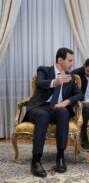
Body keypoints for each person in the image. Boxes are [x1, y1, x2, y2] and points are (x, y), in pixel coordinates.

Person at [23, 47, 84, 177]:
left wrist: (66, 102)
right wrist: (55, 82)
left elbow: (80, 94)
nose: (72, 63)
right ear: (60, 60)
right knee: (43, 115)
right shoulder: (44, 70)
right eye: (69, 60)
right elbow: (39, 83)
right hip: (38, 107)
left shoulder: (70, 77)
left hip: (57, 108)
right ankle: (36, 161)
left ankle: (60, 157)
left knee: (63, 112)